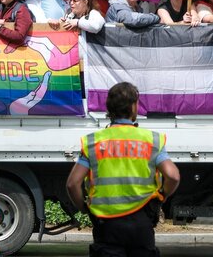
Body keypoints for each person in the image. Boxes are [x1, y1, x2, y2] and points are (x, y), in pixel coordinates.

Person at [66, 82, 180, 257]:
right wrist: (161, 197)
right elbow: (172, 176)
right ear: (133, 106)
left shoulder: (94, 142)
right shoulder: (151, 140)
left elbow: (73, 184)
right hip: (142, 221)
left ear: (110, 108)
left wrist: (84, 208)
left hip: (106, 224)